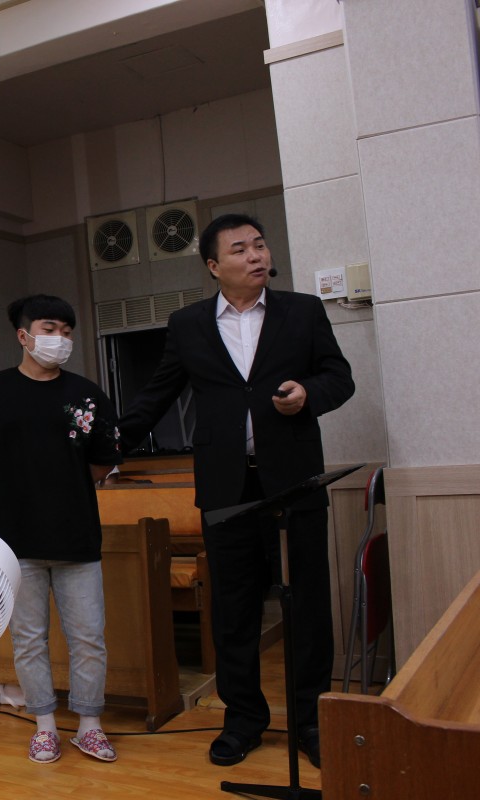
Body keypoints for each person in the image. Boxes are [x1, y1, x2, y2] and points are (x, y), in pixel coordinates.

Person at [118, 213, 354, 770]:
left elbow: (339, 377)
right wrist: (107, 444)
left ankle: (311, 721)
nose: (255, 255)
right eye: (240, 249)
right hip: (227, 486)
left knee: (307, 604)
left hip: (294, 480)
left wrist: (308, 394)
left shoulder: (303, 311)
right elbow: (155, 397)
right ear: (213, 265)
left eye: (260, 245)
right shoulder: (188, 325)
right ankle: (243, 720)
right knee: (233, 609)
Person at [0, 294, 122, 765]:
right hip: (15, 544)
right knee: (28, 640)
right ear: (23, 335)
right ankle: (44, 726)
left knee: (89, 637)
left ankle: (89, 726)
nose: (60, 339)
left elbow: (103, 460)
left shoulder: (87, 393)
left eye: (67, 332)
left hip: (77, 537)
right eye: (50, 329)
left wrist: (63, 486)